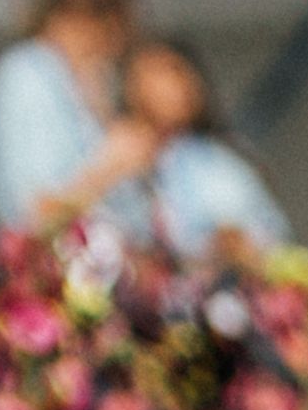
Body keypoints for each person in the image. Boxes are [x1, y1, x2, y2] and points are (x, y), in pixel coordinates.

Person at [0, 0, 148, 240]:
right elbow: (39, 211)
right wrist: (114, 165)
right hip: (67, 259)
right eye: (105, 32)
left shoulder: (85, 84)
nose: (114, 48)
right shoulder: (30, 72)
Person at [117, 41, 288, 259]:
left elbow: (255, 241)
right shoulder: (115, 152)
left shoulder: (211, 161)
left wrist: (228, 242)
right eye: (154, 73)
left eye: (176, 71)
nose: (171, 86)